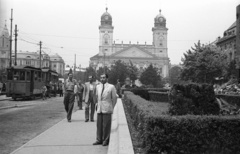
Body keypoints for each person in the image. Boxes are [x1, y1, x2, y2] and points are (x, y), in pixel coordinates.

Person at [93, 73, 117, 146]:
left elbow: (114, 98)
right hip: (100, 107)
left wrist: (111, 106)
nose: (102, 79)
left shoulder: (111, 87)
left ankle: (105, 140)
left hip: (107, 107)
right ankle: (99, 139)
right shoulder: (98, 87)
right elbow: (96, 96)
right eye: (101, 77)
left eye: (103, 77)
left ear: (107, 78)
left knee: (106, 125)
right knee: (99, 125)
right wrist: (96, 104)